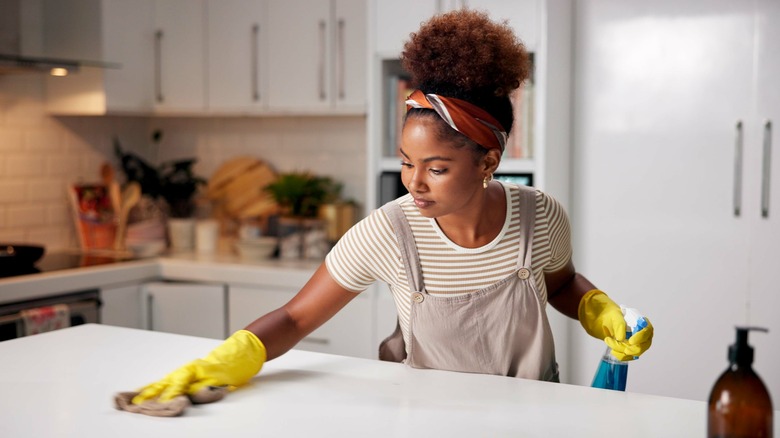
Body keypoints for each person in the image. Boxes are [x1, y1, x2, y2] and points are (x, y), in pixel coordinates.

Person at [121, 9, 653, 413]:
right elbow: (296, 316)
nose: (414, 184)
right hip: (427, 417)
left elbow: (559, 285)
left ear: (489, 160)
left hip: (535, 415)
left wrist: (599, 311)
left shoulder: (540, 217)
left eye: (437, 168)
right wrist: (232, 357)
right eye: (406, 162)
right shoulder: (388, 231)